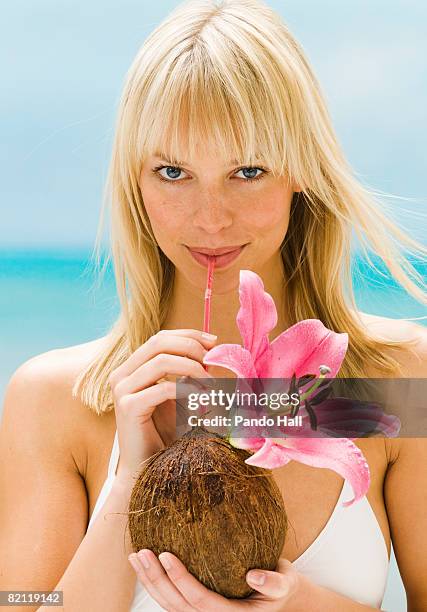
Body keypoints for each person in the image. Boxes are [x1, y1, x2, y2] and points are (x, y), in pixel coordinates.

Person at [1, 0, 426, 610]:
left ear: (300, 168)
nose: (210, 218)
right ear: (134, 180)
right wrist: (129, 485)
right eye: (173, 171)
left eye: (247, 170)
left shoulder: (397, 384)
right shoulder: (53, 399)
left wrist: (299, 602)